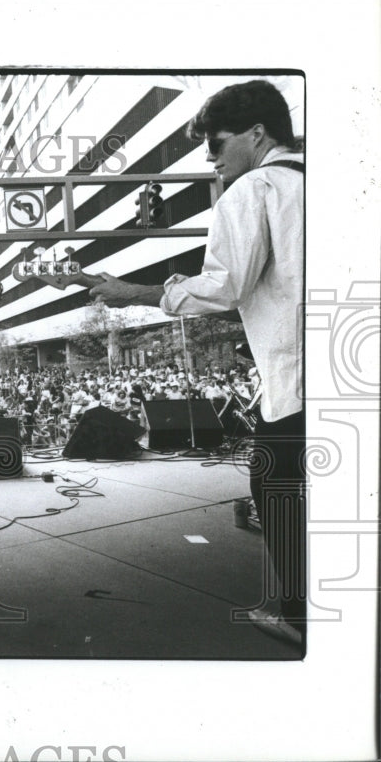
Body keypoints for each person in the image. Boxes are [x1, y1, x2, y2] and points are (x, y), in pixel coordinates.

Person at [89, 79, 305, 649]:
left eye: (217, 143)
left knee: (273, 483)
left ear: (258, 134)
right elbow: (280, 291)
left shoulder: (252, 189)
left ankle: (298, 614)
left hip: (298, 376)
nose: (212, 159)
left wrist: (132, 293)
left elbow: (225, 287)